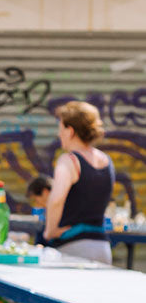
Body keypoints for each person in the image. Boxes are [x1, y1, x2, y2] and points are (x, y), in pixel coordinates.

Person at [43, 101, 115, 264]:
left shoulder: (69, 161)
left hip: (73, 249)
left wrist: (50, 231)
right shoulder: (106, 160)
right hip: (102, 249)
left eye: (61, 128)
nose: (59, 134)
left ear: (70, 131)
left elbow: (56, 200)